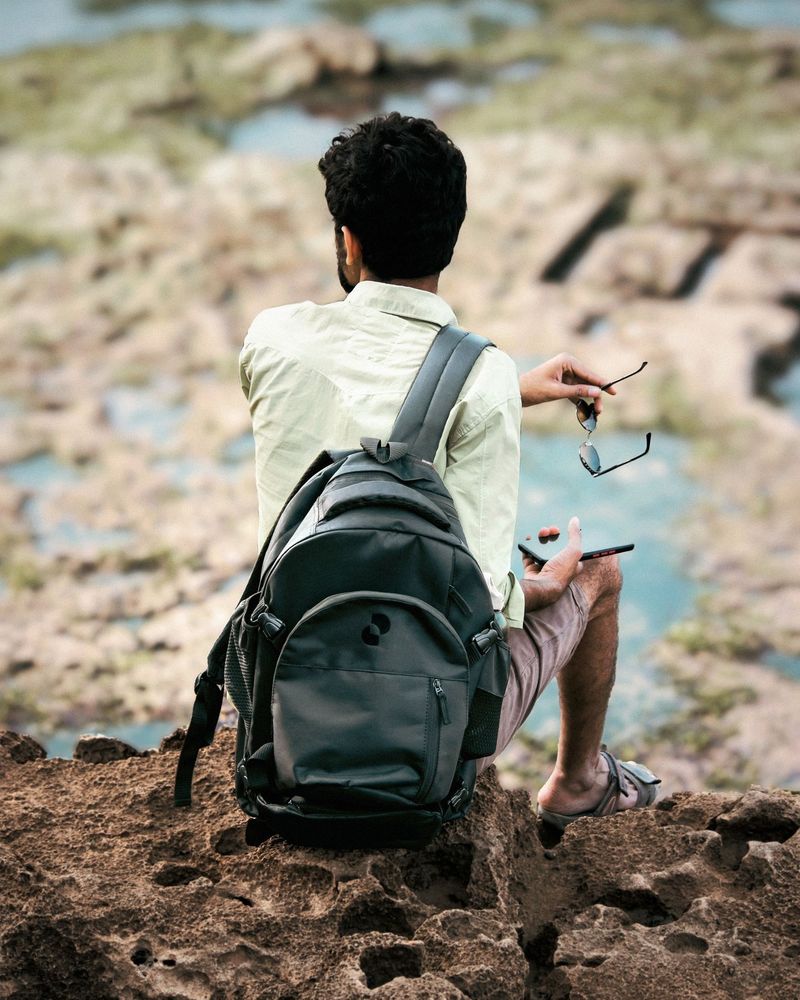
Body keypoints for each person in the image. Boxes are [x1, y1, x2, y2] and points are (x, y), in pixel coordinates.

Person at [239, 113, 659, 830]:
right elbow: (492, 607)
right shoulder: (483, 374)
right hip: (426, 736)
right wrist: (539, 583)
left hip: (286, 706)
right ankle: (579, 783)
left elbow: (352, 415)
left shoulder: (272, 340)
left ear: (348, 240)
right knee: (598, 576)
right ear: (452, 237)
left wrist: (504, 391)